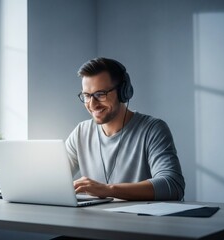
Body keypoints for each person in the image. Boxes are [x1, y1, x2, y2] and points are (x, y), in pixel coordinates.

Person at [65, 57, 185, 201]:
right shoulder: (81, 132)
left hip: (141, 221)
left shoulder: (153, 129)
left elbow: (172, 185)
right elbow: (52, 178)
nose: (92, 104)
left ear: (124, 92)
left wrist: (108, 190)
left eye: (100, 94)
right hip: (97, 221)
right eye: (86, 95)